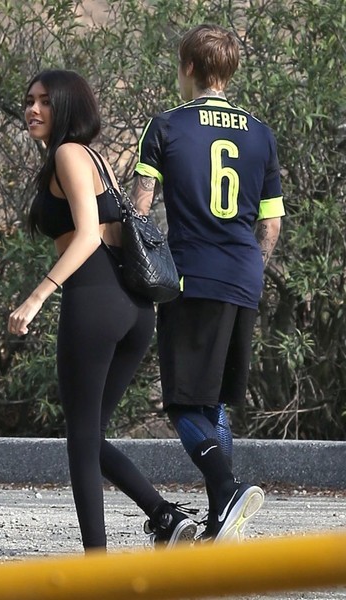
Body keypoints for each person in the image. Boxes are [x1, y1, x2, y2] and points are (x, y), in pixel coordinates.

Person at [7, 69, 197, 552]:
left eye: (45, 101)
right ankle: (165, 516)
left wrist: (37, 296)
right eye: (29, 100)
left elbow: (89, 235)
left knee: (80, 438)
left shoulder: (69, 154)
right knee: (88, 434)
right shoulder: (95, 158)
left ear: (68, 106)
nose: (32, 109)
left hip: (96, 302)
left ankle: (96, 563)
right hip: (134, 309)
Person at [131, 24, 285, 543]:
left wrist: (132, 271)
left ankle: (227, 487)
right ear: (231, 70)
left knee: (181, 403)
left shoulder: (166, 125)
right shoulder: (260, 132)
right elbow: (271, 225)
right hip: (243, 276)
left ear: (189, 67)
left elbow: (140, 209)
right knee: (213, 401)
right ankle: (223, 517)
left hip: (193, 276)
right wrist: (250, 271)